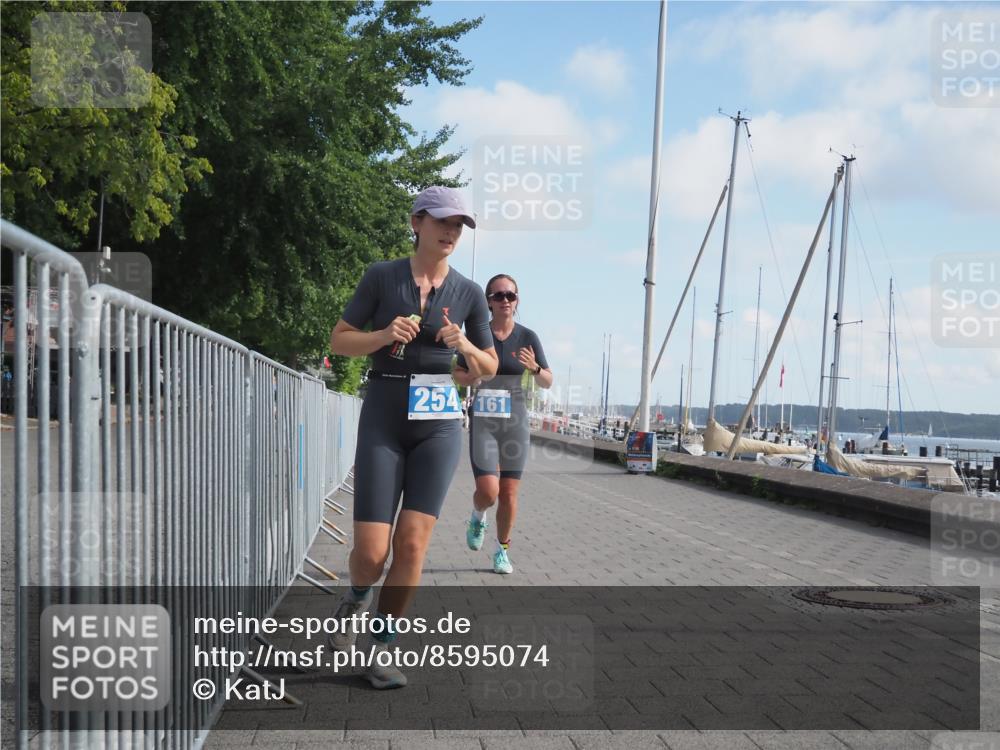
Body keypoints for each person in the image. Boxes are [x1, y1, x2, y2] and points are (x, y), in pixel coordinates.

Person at [328, 186, 498, 688]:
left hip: (440, 418)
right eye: (443, 221)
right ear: (417, 222)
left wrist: (463, 342)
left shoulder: (467, 292)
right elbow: (339, 340)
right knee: (371, 553)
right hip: (384, 408)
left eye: (459, 226)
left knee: (413, 544)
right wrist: (383, 336)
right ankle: (356, 600)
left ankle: (380, 649)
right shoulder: (382, 276)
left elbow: (488, 366)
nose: (451, 232)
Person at [453, 274, 552, 575]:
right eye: (499, 296)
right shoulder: (476, 336)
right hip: (484, 419)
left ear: (517, 300)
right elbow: (457, 372)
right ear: (488, 301)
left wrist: (534, 368)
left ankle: (501, 550)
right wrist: (470, 377)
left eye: (511, 295)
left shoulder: (528, 336)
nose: (505, 300)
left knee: (509, 493)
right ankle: (477, 514)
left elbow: (547, 380)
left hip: (515, 420)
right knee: (488, 491)